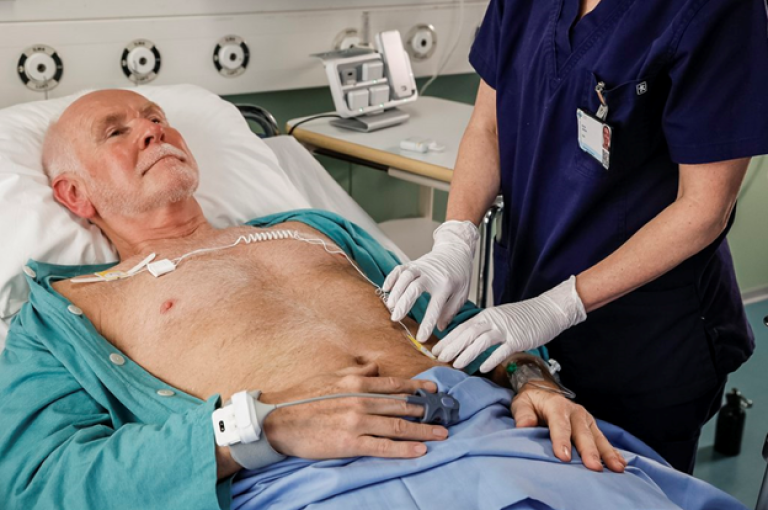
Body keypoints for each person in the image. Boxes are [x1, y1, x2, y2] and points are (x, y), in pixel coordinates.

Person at [0, 90, 626, 510]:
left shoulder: (312, 230)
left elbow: (455, 321)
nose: (153, 130)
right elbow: (37, 484)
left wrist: (533, 377)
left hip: (500, 433)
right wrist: (254, 429)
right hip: (322, 481)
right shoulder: (67, 312)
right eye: (118, 131)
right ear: (75, 196)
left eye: (156, 118)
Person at [383, 0, 768, 473]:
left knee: (626, 494)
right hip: (527, 324)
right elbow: (487, 126)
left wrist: (557, 306)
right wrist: (456, 238)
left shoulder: (716, 11)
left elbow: (704, 209)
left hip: (644, 343)